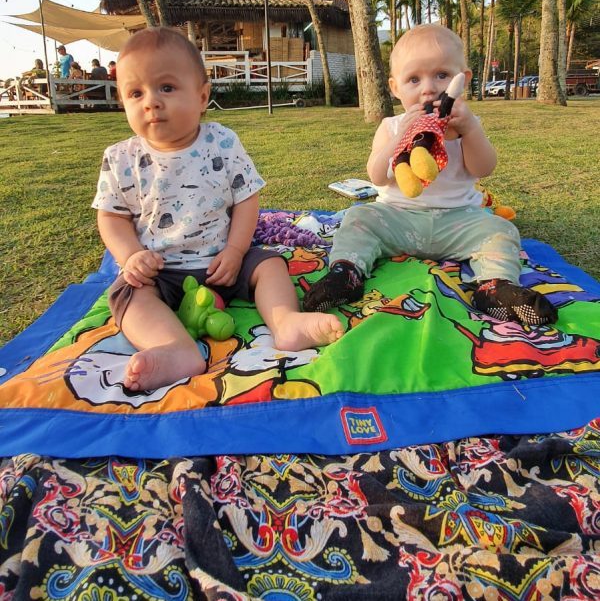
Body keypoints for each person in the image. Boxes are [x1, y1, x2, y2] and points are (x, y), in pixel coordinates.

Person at [93, 27, 342, 392]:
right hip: (159, 272)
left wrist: (237, 250)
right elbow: (111, 216)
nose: (151, 102)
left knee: (270, 263)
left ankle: (286, 322)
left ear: (202, 96)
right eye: (135, 93)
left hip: (222, 263)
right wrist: (130, 256)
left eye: (166, 87)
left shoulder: (222, 141)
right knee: (127, 293)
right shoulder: (120, 158)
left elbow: (246, 198)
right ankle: (174, 348)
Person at [303, 24, 557, 327]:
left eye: (442, 75)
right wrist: (401, 139)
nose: (429, 88)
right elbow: (377, 176)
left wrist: (470, 130)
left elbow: (484, 168)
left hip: (458, 221)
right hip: (397, 219)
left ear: (463, 80)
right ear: (396, 88)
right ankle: (346, 273)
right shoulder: (391, 126)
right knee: (358, 219)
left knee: (500, 230)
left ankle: (494, 287)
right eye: (414, 79)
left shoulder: (467, 125)